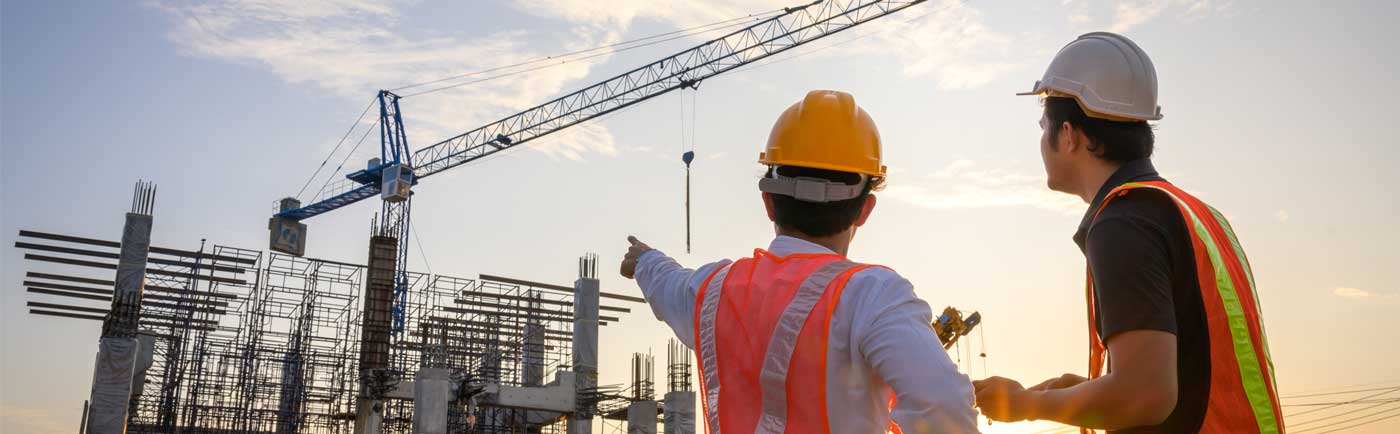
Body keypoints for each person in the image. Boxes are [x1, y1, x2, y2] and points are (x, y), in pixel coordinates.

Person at [972, 32, 1284, 433]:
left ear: (1068, 134)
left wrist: (1026, 405)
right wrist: (1082, 391)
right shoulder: (1194, 214)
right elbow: (1192, 379)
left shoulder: (1124, 223)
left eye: (1043, 126)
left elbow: (1145, 395)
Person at [620, 90, 979, 433]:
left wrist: (643, 259)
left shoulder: (712, 290)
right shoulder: (872, 296)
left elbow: (667, 282)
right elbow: (943, 405)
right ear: (865, 210)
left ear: (768, 202)